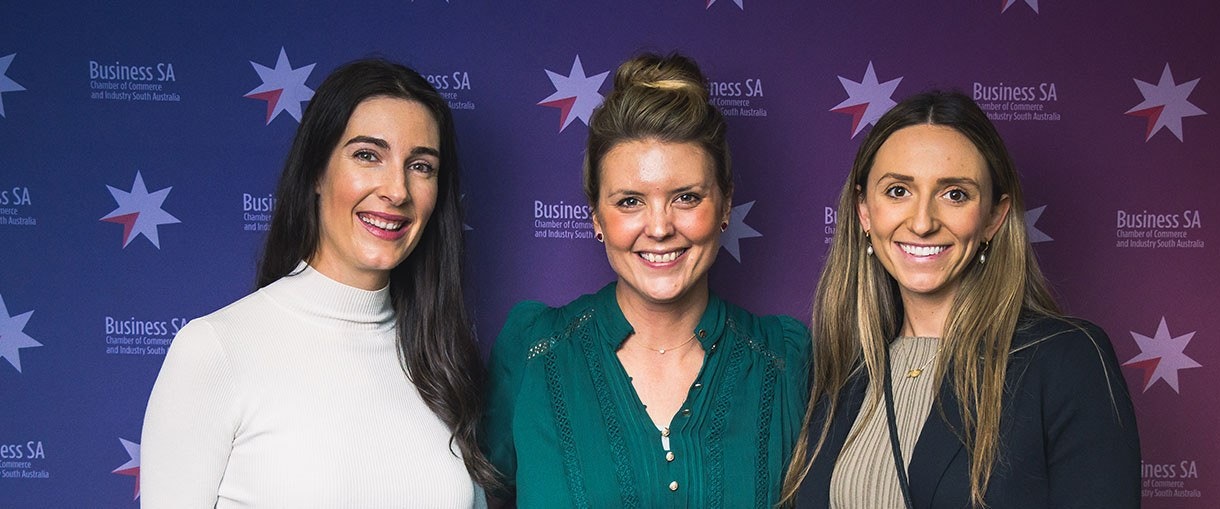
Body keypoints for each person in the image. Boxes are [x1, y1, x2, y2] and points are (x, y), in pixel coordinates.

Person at [140, 59, 497, 508]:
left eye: (421, 165)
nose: (397, 190)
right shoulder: (215, 351)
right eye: (367, 155)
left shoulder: (444, 365)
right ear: (315, 172)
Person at [483, 52, 810, 508]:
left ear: (725, 205)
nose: (659, 228)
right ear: (596, 215)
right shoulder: (534, 351)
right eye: (630, 201)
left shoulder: (784, 360)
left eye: (686, 198)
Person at [784, 91, 1140, 508]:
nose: (922, 222)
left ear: (994, 216)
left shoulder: (1066, 359)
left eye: (954, 194)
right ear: (864, 211)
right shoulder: (835, 371)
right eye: (898, 191)